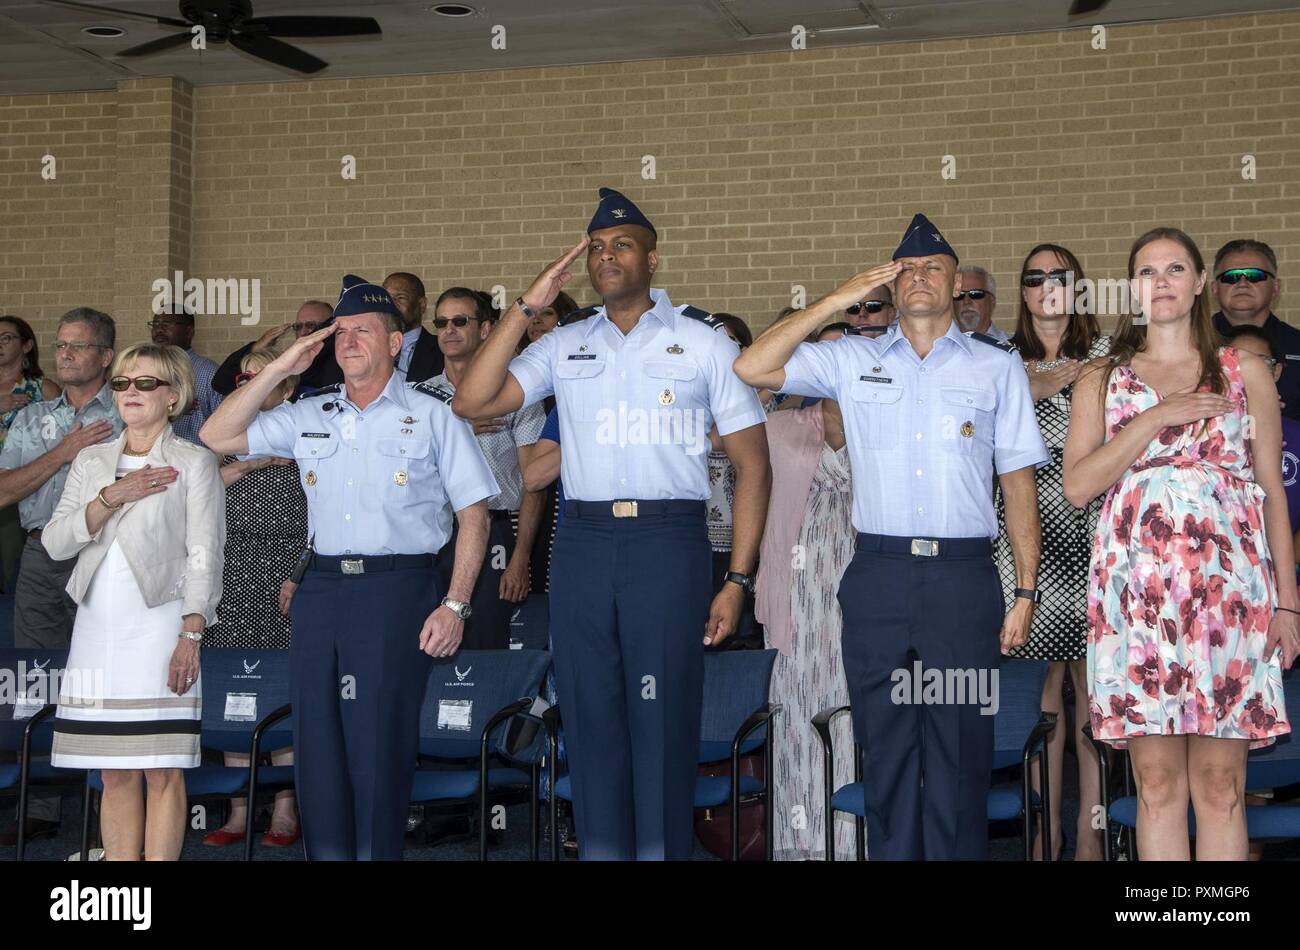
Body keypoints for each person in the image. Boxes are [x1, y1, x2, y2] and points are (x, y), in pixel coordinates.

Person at [452, 187, 770, 860]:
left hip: (668, 540)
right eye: (595, 247)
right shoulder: (565, 343)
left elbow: (752, 464)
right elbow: (473, 399)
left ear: (654, 258)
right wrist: (528, 305)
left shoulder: (702, 343)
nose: (606, 256)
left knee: (662, 714)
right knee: (591, 713)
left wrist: (738, 577)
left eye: (621, 244)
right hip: (585, 541)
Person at [736, 212, 1049, 860]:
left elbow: (1018, 484)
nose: (921, 278)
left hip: (963, 580)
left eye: (935, 267)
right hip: (878, 576)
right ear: (890, 284)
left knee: (960, 747)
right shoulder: (852, 359)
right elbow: (753, 366)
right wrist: (838, 298)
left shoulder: (996, 369)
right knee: (885, 748)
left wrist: (1024, 590)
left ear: (954, 280)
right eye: (906, 269)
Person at [200, 274, 498, 861]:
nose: (349, 341)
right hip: (323, 589)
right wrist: (283, 364)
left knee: (379, 744)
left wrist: (456, 602)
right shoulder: (313, 412)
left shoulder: (433, 416)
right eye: (340, 332)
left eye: (364, 331)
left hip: (399, 586)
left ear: (395, 343)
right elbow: (217, 434)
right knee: (318, 746)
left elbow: (475, 514)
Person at [1064, 226, 1298, 861]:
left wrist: (1289, 605)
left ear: (1199, 283)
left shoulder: (1244, 369)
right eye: (1147, 271)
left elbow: (1273, 490)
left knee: (1221, 786)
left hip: (1231, 597)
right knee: (1158, 784)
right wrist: (1153, 418)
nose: (1160, 282)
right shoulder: (1102, 379)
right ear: (1133, 287)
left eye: (1174, 269)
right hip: (1137, 602)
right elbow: (1080, 485)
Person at [44, 343, 225, 861]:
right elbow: (57, 543)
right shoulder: (92, 459)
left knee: (161, 768)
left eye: (145, 383)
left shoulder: (194, 461)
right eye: (122, 383)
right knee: (114, 770)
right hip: (97, 627)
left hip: (162, 628)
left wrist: (191, 635)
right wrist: (110, 498)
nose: (130, 393)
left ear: (173, 395)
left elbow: (205, 555)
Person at [996, 243, 1109, 860]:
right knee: (1040, 700)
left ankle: (1091, 838)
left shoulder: (1107, 356)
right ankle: (1046, 835)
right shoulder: (997, 357)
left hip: (1093, 533)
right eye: (1033, 277)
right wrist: (1029, 388)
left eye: (1058, 277)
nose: (1045, 287)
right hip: (1025, 537)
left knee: (1096, 697)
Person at [0, 308, 120, 845]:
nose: (65, 354)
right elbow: (5, 489)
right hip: (40, 559)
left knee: (105, 681)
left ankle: (108, 810)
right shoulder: (33, 419)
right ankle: (41, 805)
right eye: (60, 345)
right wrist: (64, 451)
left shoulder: (128, 410)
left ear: (105, 356)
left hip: (106, 557)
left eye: (78, 345)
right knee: (37, 681)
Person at [755, 323, 857, 860]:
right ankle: (800, 848)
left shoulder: (886, 425)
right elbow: (716, 433)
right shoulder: (779, 425)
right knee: (795, 722)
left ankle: (853, 844)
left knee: (854, 720)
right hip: (796, 604)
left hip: (863, 603)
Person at [201, 348, 306, 849]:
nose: (255, 385)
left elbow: (326, 522)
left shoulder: (307, 441)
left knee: (280, 698)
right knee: (233, 703)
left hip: (285, 586)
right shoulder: (214, 450)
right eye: (246, 378)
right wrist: (253, 462)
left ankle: (285, 811)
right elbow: (192, 507)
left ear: (286, 389)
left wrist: (298, 576)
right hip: (229, 586)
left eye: (267, 379)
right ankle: (238, 810)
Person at [427, 286, 546, 649]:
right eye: (441, 322)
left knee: (485, 642)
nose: (449, 329)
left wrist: (521, 556)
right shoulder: (419, 396)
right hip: (434, 532)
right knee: (427, 640)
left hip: (495, 530)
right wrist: (457, 424)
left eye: (460, 321)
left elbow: (533, 482)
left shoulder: (515, 393)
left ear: (486, 329)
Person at [0, 315, 60, 591]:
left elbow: (64, 437)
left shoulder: (42, 389)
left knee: (13, 572)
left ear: (26, 346)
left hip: (22, 489)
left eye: (6, 338)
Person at [1210, 239, 1300, 421]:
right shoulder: (1189, 344)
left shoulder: (1297, 344)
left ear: (1276, 287)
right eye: (1231, 277)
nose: (1242, 283)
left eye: (1255, 275)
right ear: (1214, 288)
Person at [211, 300, 341, 398]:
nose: (302, 332)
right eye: (298, 327)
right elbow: (221, 384)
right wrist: (256, 347)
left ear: (329, 326)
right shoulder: (287, 362)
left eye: (311, 325)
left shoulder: (342, 360)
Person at [149, 305, 221, 444]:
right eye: (155, 324)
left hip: (197, 459)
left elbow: (226, 424)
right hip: (152, 460)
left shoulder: (209, 373)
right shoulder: (144, 371)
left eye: (167, 324)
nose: (159, 329)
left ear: (189, 332)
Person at [385, 271, 444, 383]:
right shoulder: (368, 346)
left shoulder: (443, 350)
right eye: (387, 298)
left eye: (400, 297)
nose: (391, 304)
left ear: (422, 305)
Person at [954, 265, 1009, 342]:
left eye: (976, 294)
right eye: (960, 295)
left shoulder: (1011, 348)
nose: (966, 301)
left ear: (992, 301)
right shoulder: (936, 346)